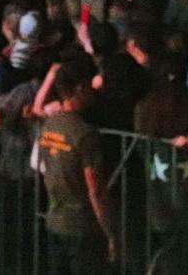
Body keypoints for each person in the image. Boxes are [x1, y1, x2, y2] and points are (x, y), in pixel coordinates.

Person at [36, 57, 116, 274]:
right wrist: (109, 232)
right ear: (80, 88)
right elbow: (95, 189)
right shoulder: (84, 134)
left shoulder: (50, 124)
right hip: (81, 225)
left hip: (54, 219)